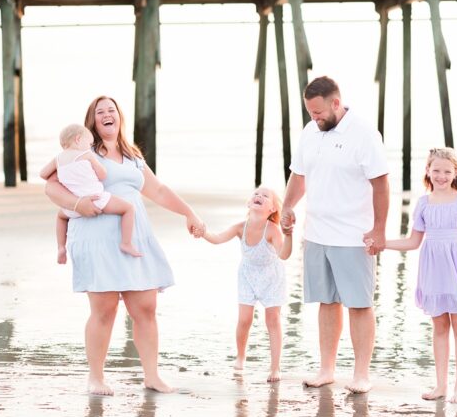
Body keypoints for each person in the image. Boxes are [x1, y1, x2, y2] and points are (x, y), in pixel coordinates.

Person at [44, 96, 205, 396]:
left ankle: (152, 376)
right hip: (96, 237)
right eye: (100, 112)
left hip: (134, 235)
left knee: (145, 307)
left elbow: (157, 190)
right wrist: (77, 203)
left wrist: (189, 212)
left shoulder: (133, 156)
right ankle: (96, 377)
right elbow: (50, 186)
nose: (107, 114)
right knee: (104, 309)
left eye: (112, 110)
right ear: (91, 122)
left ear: (120, 118)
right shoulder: (81, 151)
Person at [281, 76, 389, 393]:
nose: (314, 119)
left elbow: (381, 182)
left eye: (318, 113)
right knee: (326, 302)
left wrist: (380, 229)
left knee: (358, 304)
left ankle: (361, 375)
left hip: (353, 234)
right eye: (310, 113)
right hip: (316, 232)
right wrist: (287, 207)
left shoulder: (364, 133)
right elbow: (299, 175)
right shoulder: (310, 131)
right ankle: (326, 369)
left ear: (336, 103)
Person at [383, 147, 457, 403]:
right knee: (440, 327)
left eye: (447, 171)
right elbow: (413, 242)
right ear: (428, 171)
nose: (441, 175)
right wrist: (382, 243)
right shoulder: (423, 203)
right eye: (436, 170)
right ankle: (441, 385)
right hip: (433, 271)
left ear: (456, 173)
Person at [199, 186, 293, 381]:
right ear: (249, 203)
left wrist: (289, 235)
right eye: (256, 194)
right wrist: (203, 231)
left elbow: (283, 254)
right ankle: (241, 356)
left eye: (265, 196)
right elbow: (217, 239)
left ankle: (275, 368)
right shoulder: (240, 227)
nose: (259, 196)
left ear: (273, 209)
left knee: (273, 320)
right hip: (248, 275)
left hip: (272, 277)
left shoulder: (273, 230)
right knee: (244, 319)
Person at [39, 123, 142, 264]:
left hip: (74, 207)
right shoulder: (86, 154)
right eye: (89, 143)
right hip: (96, 199)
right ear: (78, 139)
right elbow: (103, 175)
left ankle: (61, 247)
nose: (90, 146)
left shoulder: (58, 159)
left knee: (60, 217)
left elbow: (43, 174)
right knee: (128, 209)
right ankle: (126, 243)